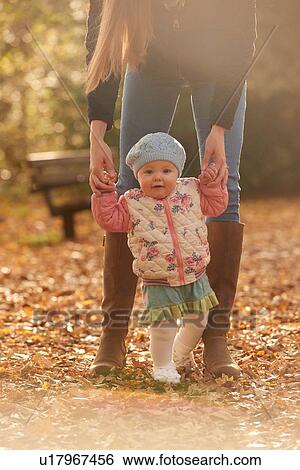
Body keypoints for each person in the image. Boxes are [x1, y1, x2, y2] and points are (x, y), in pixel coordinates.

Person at [85, 0, 257, 378]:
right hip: (151, 60)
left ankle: (215, 336)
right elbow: (104, 44)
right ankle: (113, 335)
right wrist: (97, 134)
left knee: (221, 180)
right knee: (130, 183)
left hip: (217, 66)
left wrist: (219, 128)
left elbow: (242, 42)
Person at [91, 132, 228, 383]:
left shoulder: (192, 191)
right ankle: (162, 366)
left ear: (177, 173)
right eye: (148, 171)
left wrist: (211, 184)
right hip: (158, 278)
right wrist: (104, 194)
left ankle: (181, 353)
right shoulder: (132, 203)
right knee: (163, 328)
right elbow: (108, 219)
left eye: (166, 170)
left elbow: (217, 206)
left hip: (195, 274)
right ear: (137, 176)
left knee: (198, 321)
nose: (158, 177)